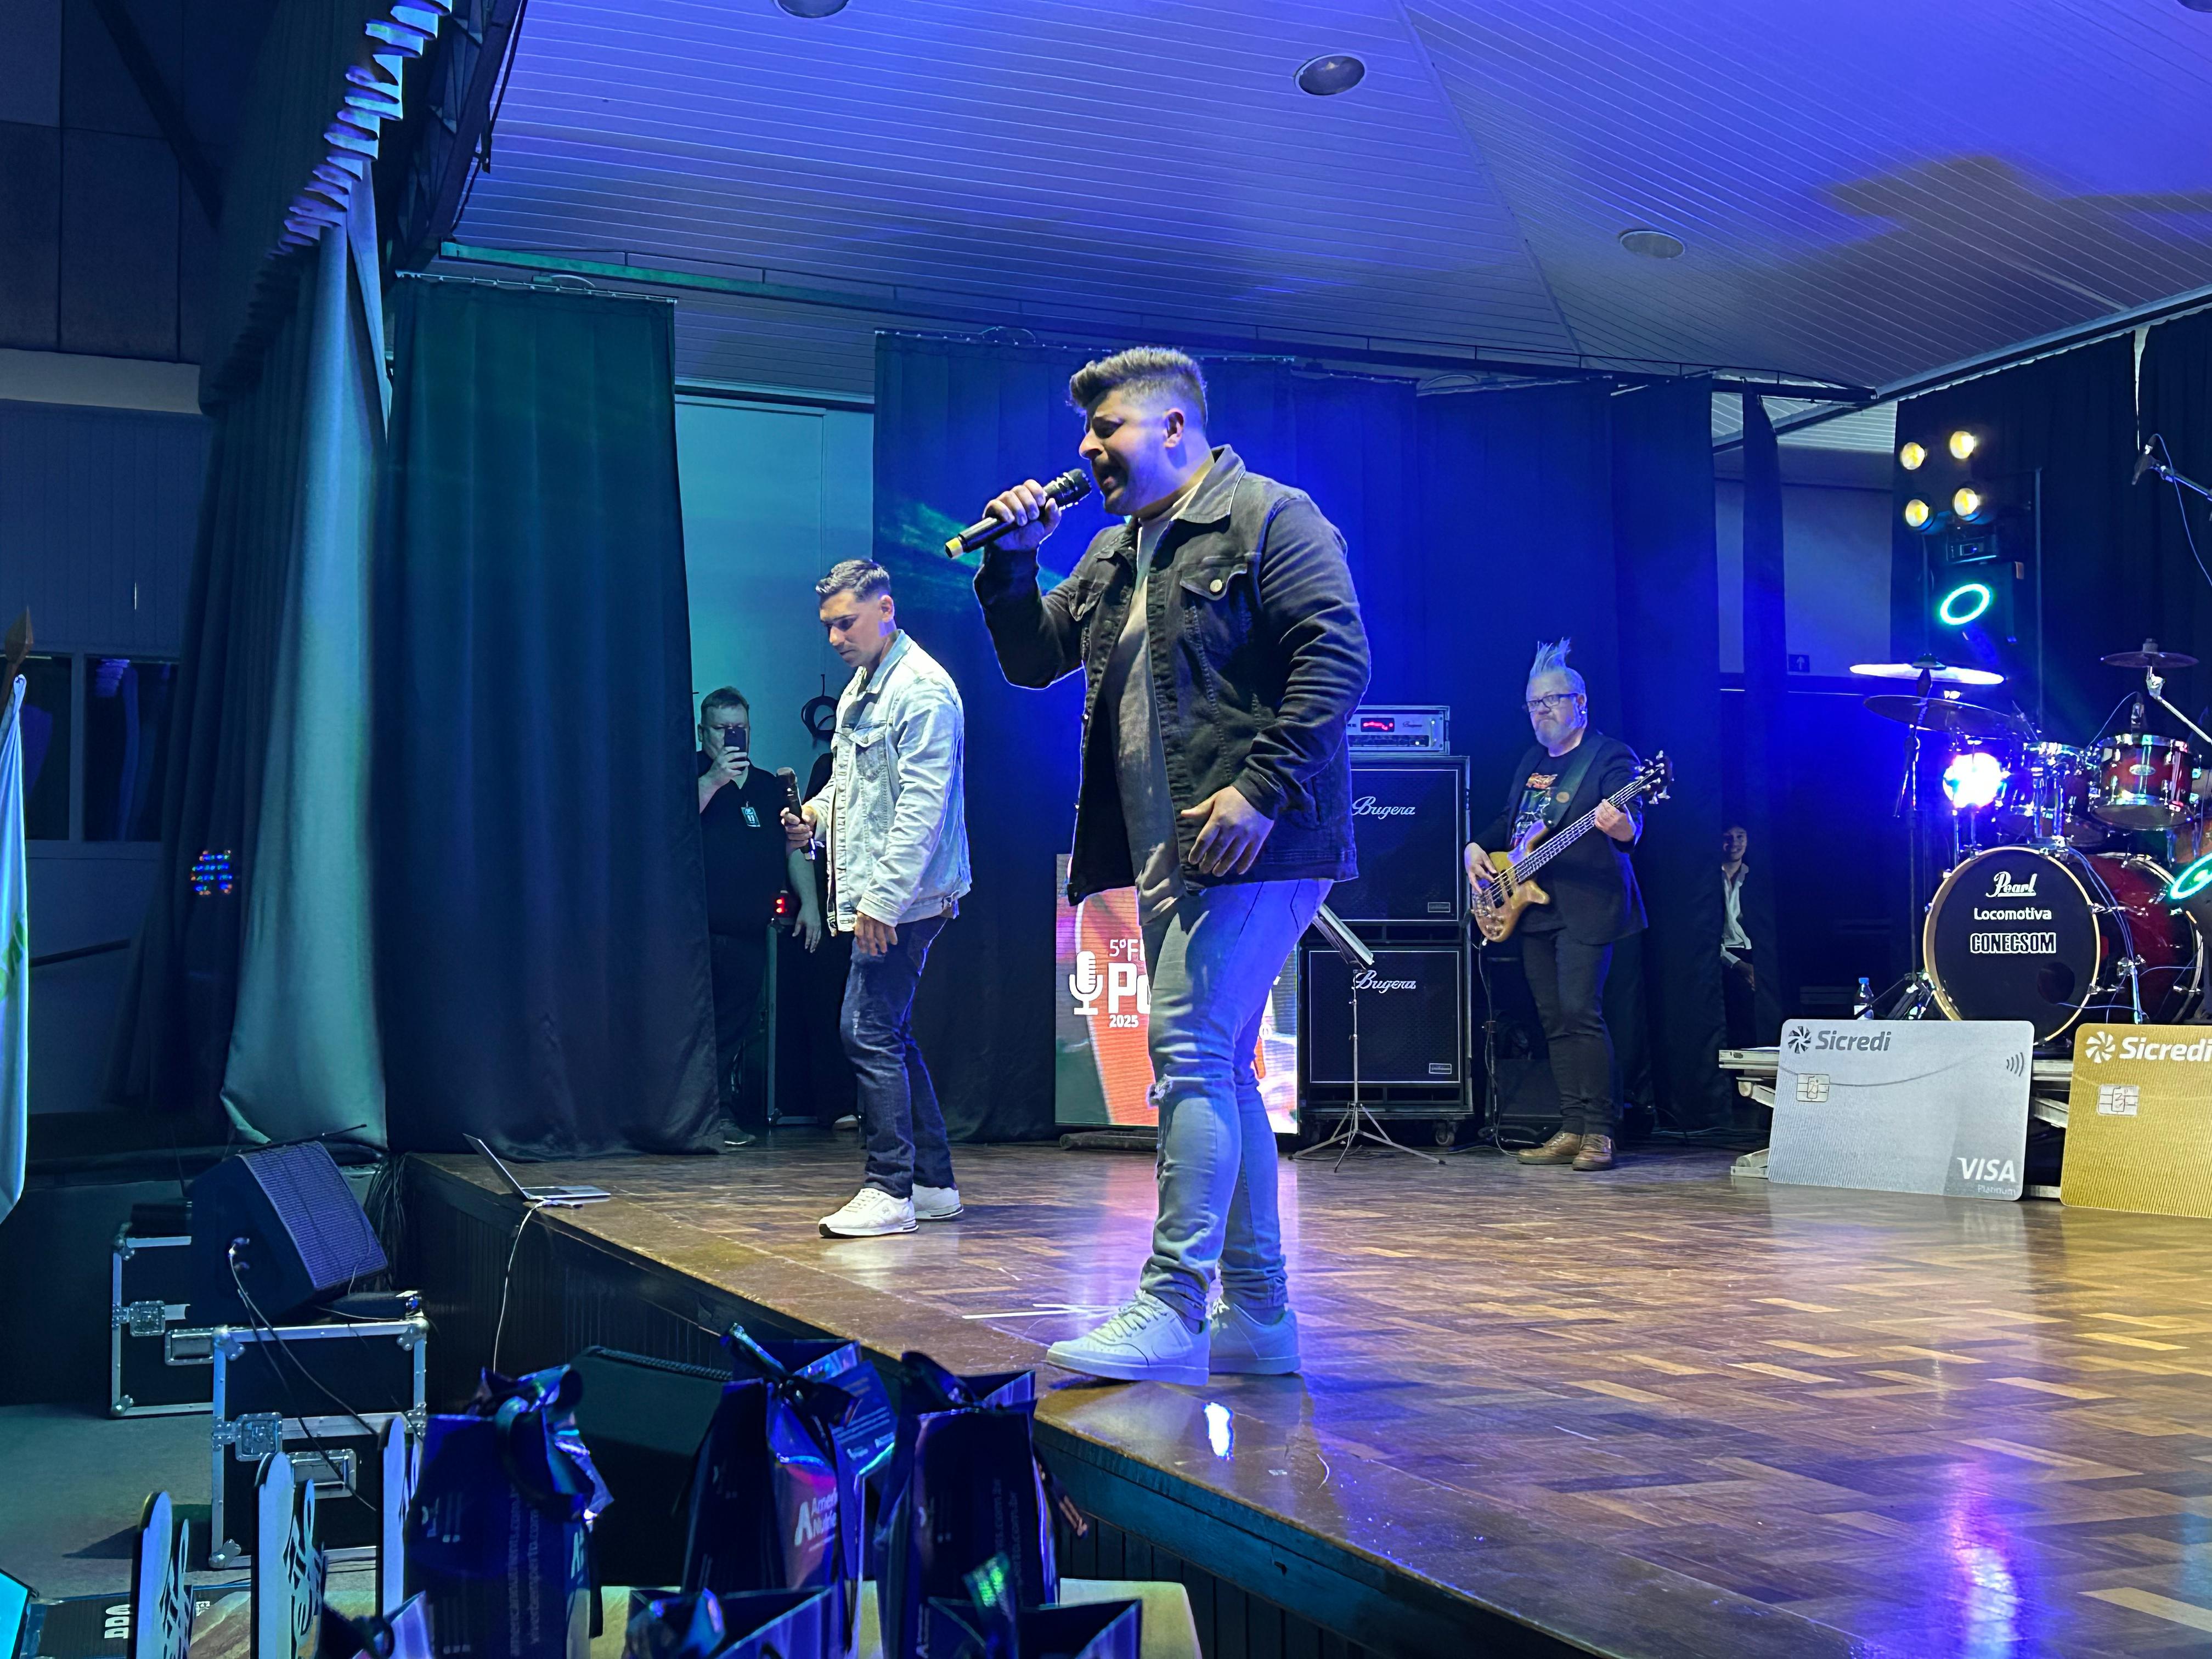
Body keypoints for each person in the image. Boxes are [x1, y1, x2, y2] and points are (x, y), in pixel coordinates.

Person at [974, 346, 1369, 1385]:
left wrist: (1259, 789)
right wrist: (1013, 563)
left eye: (1106, 427)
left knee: (1190, 1048)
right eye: (1086, 431)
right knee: (1221, 1064)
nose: (1087, 448)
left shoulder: (1269, 517)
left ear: (1175, 427)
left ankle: (1174, 1302)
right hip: (1171, 852)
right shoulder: (1115, 551)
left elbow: (1337, 659)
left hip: (1262, 838)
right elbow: (1033, 659)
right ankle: (1260, 1315)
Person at [781, 560, 970, 1238]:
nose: (835, 638)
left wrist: (881, 904)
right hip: (883, 891)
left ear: (886, 610)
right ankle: (932, 1183)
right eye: (828, 627)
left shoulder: (923, 691)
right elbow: (853, 786)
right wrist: (814, 816)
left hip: (907, 897)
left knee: (865, 1030)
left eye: (846, 623)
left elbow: (921, 810)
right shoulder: (863, 687)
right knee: (888, 1030)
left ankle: (890, 1188)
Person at [1466, 640, 1645, 1172]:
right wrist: (1476, 845)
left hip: (1589, 904)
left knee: (1580, 1011)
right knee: (1552, 1018)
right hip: (1534, 906)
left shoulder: (1609, 757)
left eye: (1550, 701)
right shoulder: (1532, 761)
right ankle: (1571, 1125)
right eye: (1532, 705)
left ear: (1580, 702)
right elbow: (1511, 824)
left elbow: (1632, 824)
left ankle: (1600, 1131)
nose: (1540, 712)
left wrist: (1623, 827)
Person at [696, 687, 820, 1134]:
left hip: (750, 929)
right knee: (693, 1026)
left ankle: (720, 1112)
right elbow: (671, 828)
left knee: (735, 1026)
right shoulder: (689, 775)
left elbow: (794, 847)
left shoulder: (769, 787)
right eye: (722, 729)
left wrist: (810, 903)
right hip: (695, 931)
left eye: (741, 729)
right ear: (703, 732)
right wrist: (713, 779)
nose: (733, 737)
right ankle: (691, 1115)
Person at [1720, 823, 1757, 1048]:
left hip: (1753, 953)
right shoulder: (1708, 880)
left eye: (1740, 837)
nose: (1734, 843)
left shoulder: (1754, 876)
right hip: (1724, 957)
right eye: (1728, 837)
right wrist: (1739, 965)